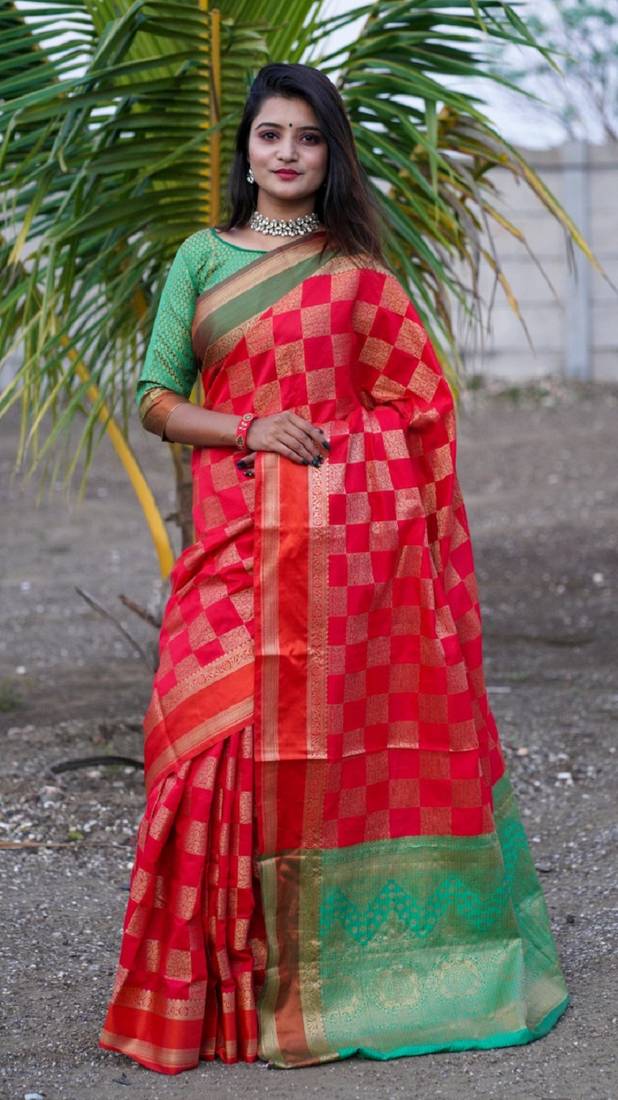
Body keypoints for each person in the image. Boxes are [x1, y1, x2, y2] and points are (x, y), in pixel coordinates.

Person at [99, 62, 569, 1075]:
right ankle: (210, 992)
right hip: (230, 538)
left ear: (331, 155)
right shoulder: (198, 256)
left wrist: (348, 467)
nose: (288, 153)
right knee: (198, 734)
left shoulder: (357, 273)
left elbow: (421, 406)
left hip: (341, 549)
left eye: (309, 139)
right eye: (272, 134)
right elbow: (154, 396)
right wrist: (253, 426)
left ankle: (330, 979)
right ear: (247, 149)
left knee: (320, 746)